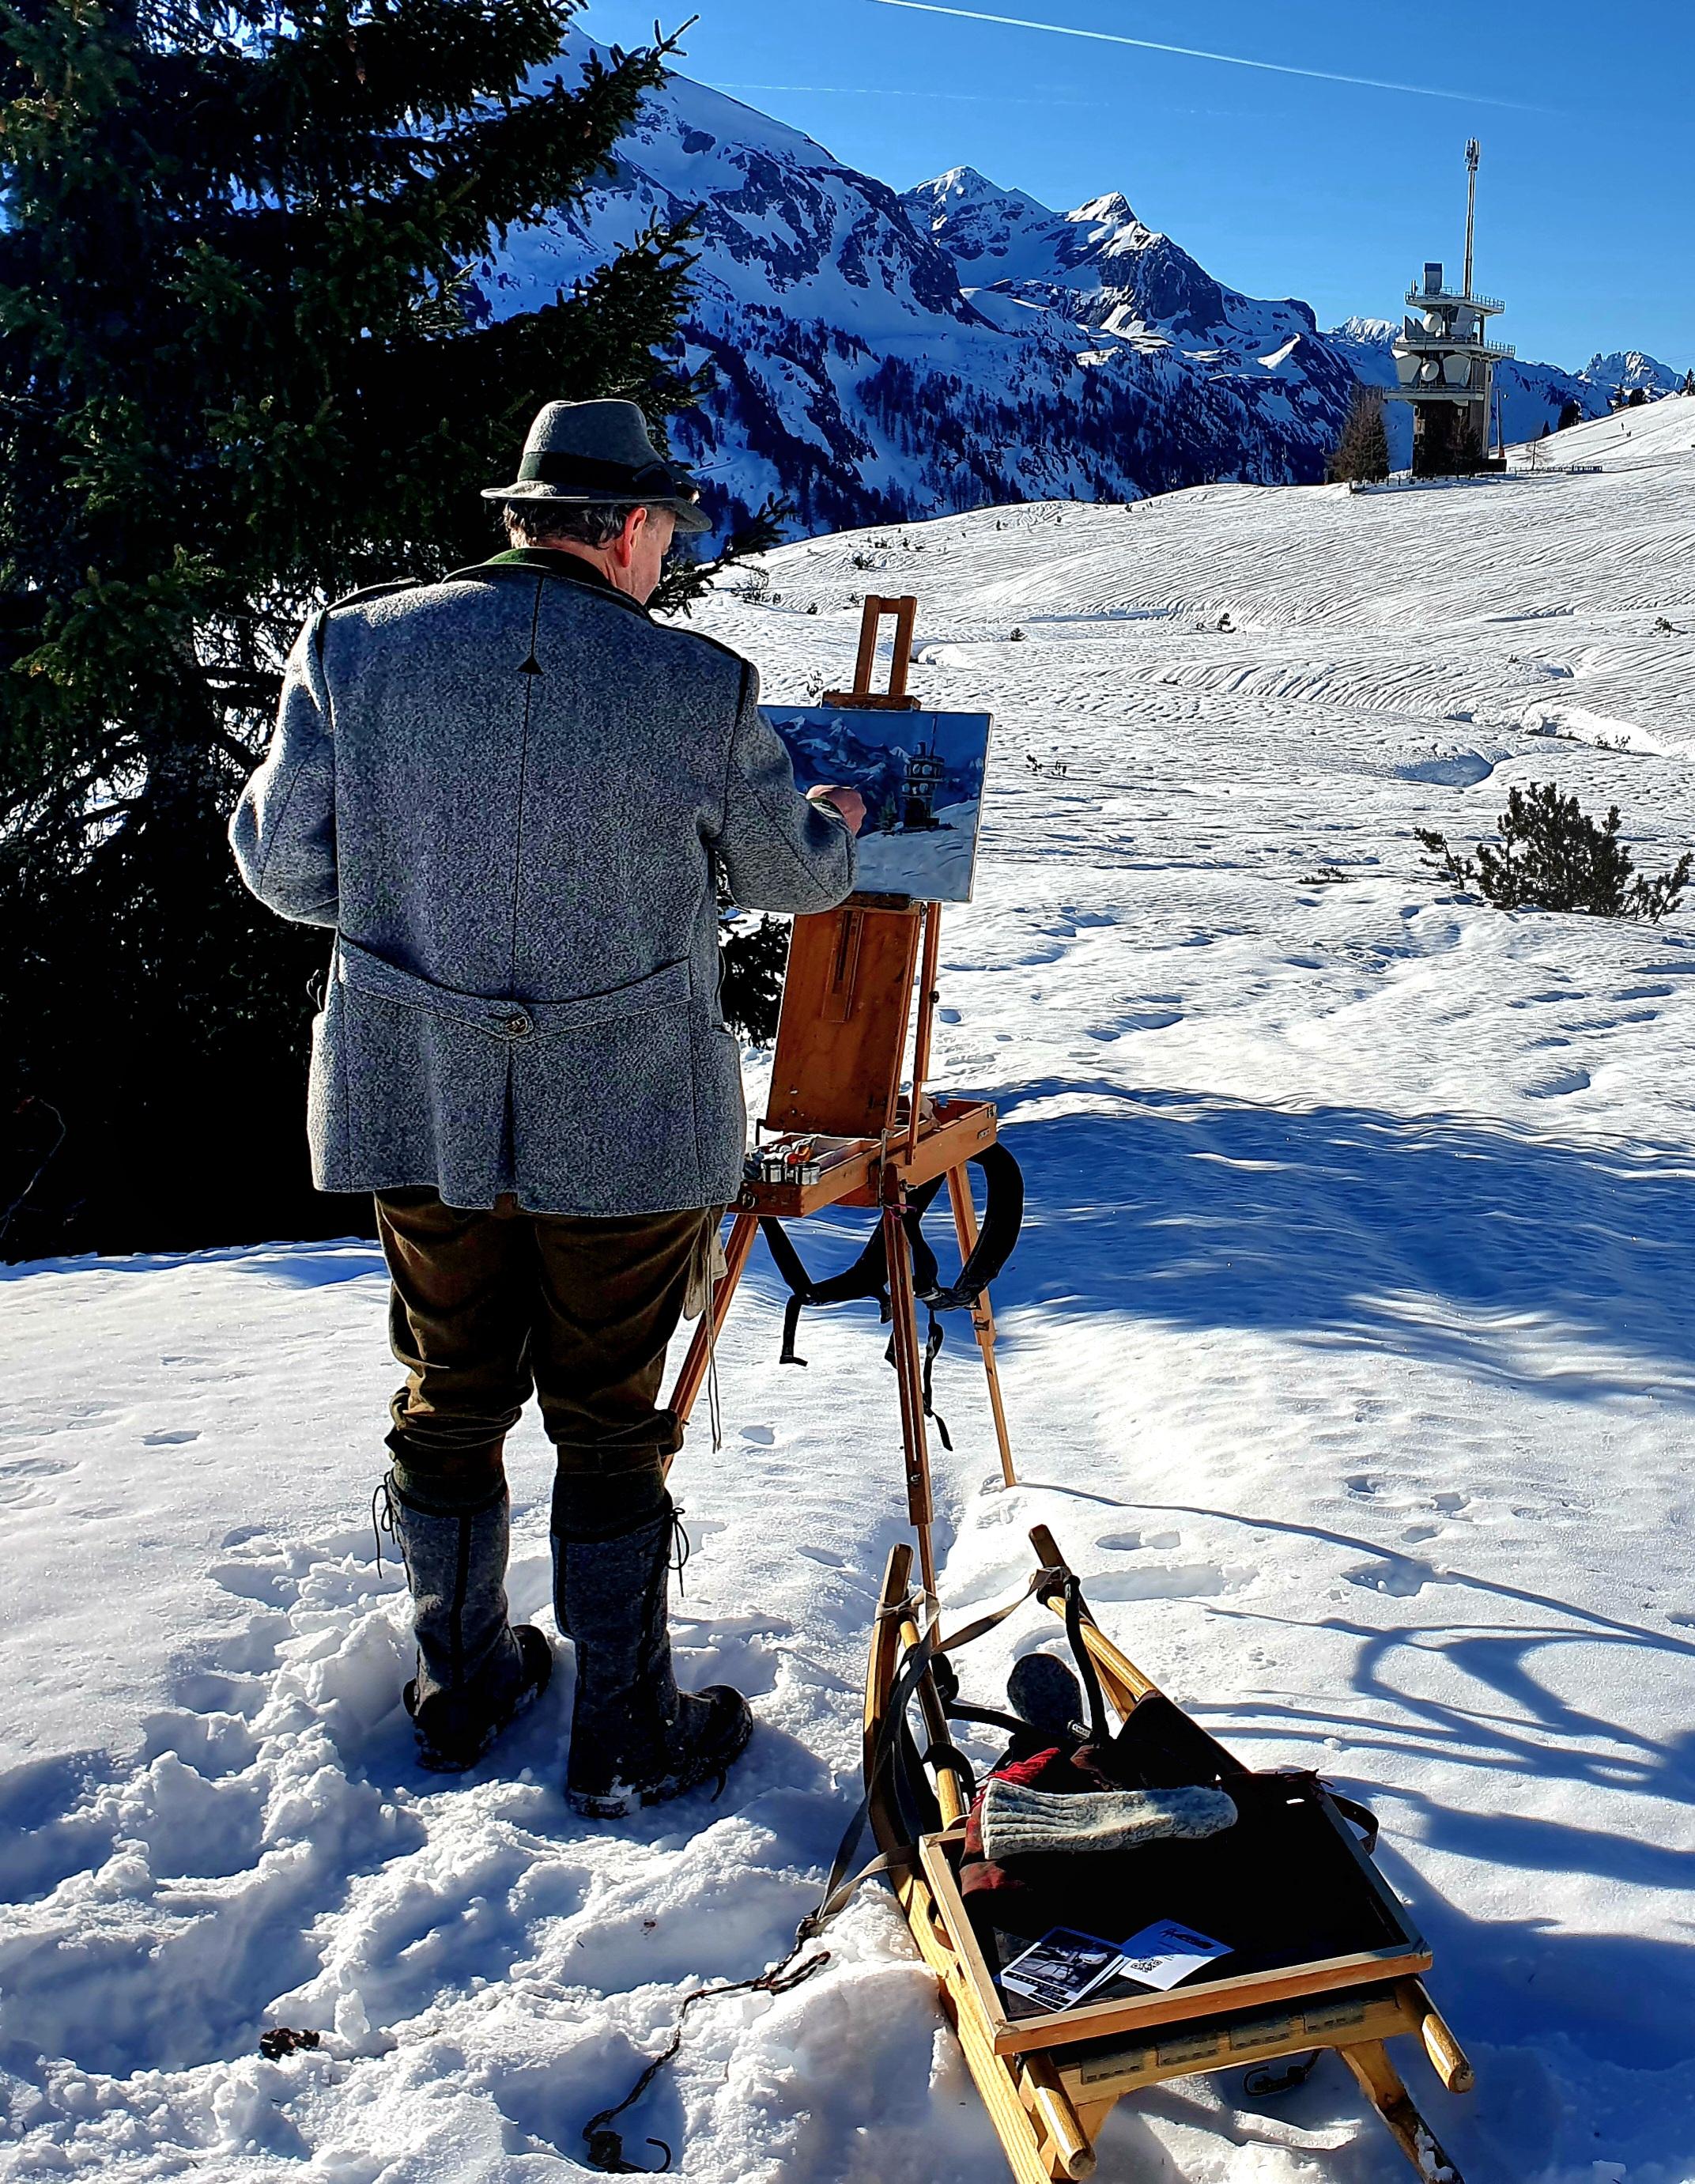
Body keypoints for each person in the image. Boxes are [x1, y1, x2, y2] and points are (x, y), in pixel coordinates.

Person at [232, 399, 863, 1816]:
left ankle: (461, 1688)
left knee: (449, 1388)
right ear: (627, 528)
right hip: (628, 1112)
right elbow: (796, 876)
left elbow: (282, 865)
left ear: (525, 517)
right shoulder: (698, 685)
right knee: (609, 1413)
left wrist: (418, 918)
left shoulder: (353, 646)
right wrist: (839, 822)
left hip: (418, 1094)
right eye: (664, 533)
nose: (665, 558)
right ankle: (624, 1729)